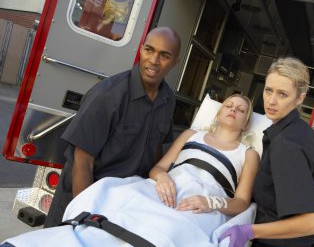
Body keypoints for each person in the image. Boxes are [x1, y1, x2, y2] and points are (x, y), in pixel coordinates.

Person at [1, 94, 260, 247]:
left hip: (204, 203)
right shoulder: (193, 134)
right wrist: (162, 178)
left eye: (241, 109)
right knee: (116, 209)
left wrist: (210, 202)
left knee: (171, 231)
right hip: (166, 188)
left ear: (246, 121)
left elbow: (241, 202)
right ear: (218, 113)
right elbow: (158, 168)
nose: (233, 110)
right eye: (229, 105)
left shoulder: (248, 154)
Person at [44, 26, 182, 227]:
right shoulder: (107, 95)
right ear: (141, 49)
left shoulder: (168, 100)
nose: (153, 60)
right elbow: (83, 163)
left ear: (175, 63)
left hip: (124, 205)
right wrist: (85, 217)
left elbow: (156, 151)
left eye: (164, 55)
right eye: (149, 50)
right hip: (85, 197)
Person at [219, 57, 314, 247]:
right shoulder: (303, 131)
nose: (271, 101)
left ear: (300, 98)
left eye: (283, 94)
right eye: (268, 91)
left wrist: (249, 231)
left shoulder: (285, 145)